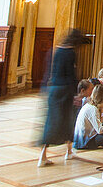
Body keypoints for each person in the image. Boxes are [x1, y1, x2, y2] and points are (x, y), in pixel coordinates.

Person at [37, 28, 89, 166]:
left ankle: (43, 155)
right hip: (65, 91)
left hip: (52, 89)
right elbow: (71, 75)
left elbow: (49, 72)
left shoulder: (55, 51)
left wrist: (44, 90)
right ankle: (68, 152)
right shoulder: (70, 52)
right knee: (68, 121)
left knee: (51, 122)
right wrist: (76, 94)